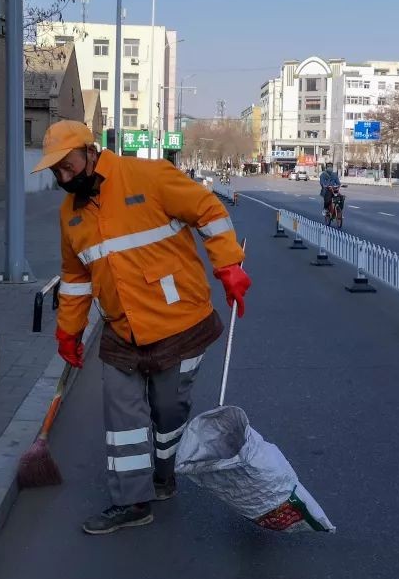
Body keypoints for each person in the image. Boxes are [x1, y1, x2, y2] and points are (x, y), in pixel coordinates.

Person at [30, 120, 252, 536]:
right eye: (56, 172)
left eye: (68, 166)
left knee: (168, 413)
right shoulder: (70, 215)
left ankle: (164, 473)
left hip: (179, 323)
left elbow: (209, 212)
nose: (64, 177)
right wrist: (68, 331)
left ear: (90, 152)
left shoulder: (149, 176)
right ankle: (131, 501)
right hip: (121, 332)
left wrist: (227, 266)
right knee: (123, 418)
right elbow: (75, 278)